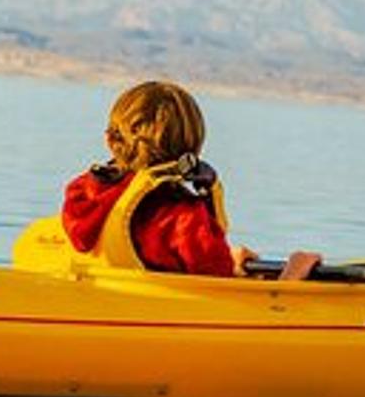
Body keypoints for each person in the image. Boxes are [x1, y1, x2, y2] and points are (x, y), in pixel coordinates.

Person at [59, 80, 252, 276]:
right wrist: (236, 266)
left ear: (110, 139)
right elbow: (216, 278)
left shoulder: (82, 195)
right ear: (194, 148)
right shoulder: (182, 217)